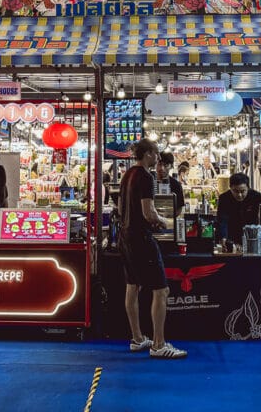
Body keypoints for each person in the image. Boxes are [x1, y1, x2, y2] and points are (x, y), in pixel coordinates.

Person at [119, 138, 186, 359]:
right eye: (156, 153)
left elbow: (120, 208)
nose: (158, 158)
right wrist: (164, 222)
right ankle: (158, 344)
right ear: (147, 153)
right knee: (161, 290)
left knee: (132, 285)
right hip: (141, 238)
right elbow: (148, 212)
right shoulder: (146, 177)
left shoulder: (127, 174)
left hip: (126, 236)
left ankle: (137, 338)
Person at [216, 173, 261, 246]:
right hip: (231, 235)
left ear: (248, 188)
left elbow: (258, 219)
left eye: (243, 191)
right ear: (230, 188)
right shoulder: (224, 198)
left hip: (252, 236)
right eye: (235, 191)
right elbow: (222, 220)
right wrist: (223, 237)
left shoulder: (256, 197)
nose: (239, 195)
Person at [155, 151, 185, 217]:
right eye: (159, 164)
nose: (162, 168)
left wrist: (169, 216)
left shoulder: (176, 185)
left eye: (165, 165)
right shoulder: (150, 182)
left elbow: (179, 208)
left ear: (171, 166)